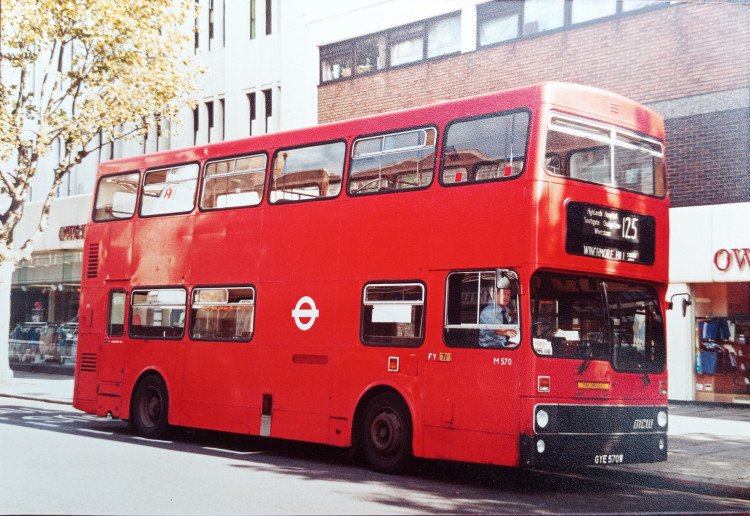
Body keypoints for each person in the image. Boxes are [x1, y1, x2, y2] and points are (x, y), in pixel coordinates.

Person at [479, 276, 518, 347]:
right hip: (490, 346)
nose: (506, 297)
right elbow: (494, 329)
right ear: (494, 295)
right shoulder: (489, 311)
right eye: (503, 294)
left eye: (508, 295)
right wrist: (506, 332)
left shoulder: (505, 310)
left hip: (502, 344)